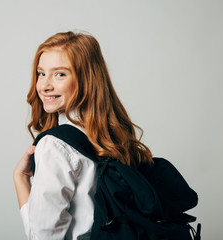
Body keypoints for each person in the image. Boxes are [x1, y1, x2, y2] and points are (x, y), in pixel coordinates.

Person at [13, 31, 153, 240]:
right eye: (41, 73)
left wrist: (21, 181)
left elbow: (44, 237)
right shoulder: (116, 135)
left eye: (60, 74)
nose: (44, 85)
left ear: (86, 80)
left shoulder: (55, 146)